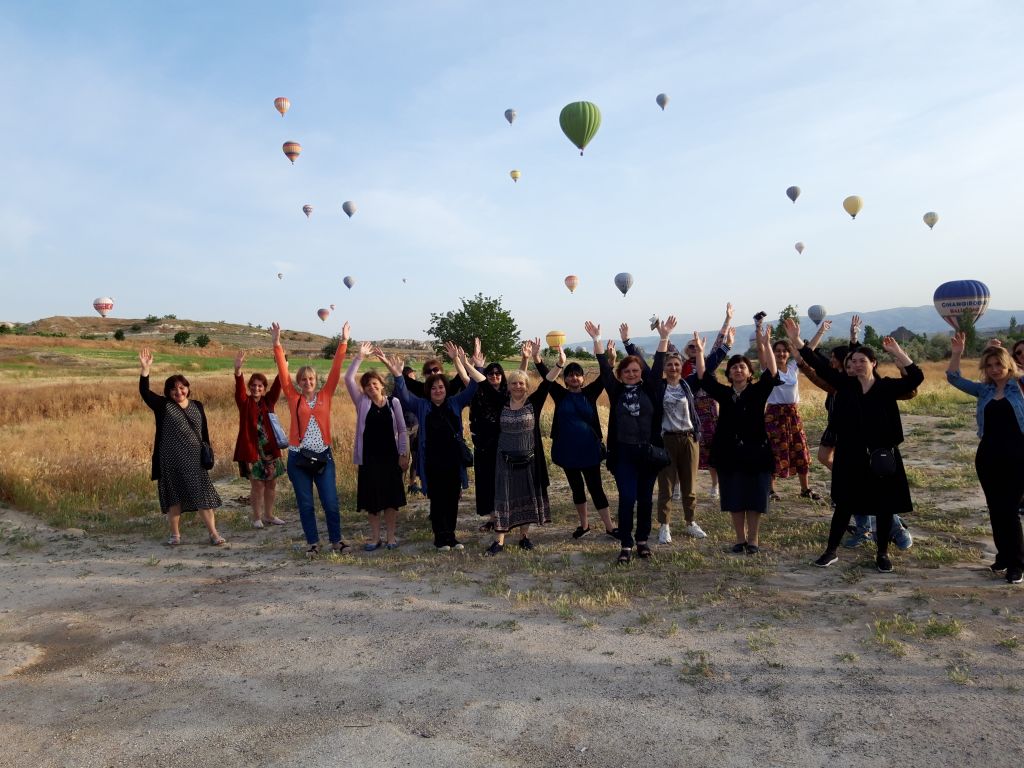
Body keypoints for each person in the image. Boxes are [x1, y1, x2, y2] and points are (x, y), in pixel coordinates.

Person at [785, 318, 923, 573]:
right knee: (844, 505)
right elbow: (818, 365)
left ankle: (882, 553)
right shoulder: (844, 385)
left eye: (862, 360)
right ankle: (830, 552)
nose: (857, 364)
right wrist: (797, 340)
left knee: (883, 507)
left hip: (881, 456)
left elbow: (916, 377)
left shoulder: (887, 387)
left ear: (874, 364)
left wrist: (898, 352)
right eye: (853, 361)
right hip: (850, 456)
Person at [380, 344, 482, 551]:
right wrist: (398, 375)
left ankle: (451, 536)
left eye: (441, 387)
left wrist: (473, 366)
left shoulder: (455, 402)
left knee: (452, 499)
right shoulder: (422, 405)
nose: (438, 390)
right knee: (437, 500)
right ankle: (440, 537)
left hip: (453, 461)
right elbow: (405, 396)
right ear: (429, 390)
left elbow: (474, 387)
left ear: (446, 389)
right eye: (434, 388)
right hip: (432, 462)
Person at [622, 324, 718, 544]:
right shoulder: (658, 387)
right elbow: (644, 367)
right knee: (665, 486)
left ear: (681, 366)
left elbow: (705, 371)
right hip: (666, 440)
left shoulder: (688, 385)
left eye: (677, 364)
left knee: (689, 486)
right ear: (664, 368)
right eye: (670, 365)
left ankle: (690, 522)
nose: (673, 368)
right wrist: (628, 344)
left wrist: (704, 352)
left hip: (689, 439)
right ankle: (664, 526)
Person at [588, 317, 673, 564]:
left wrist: (664, 337)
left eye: (636, 371)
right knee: (627, 498)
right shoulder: (615, 391)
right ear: (621, 374)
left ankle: (643, 541)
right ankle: (626, 543)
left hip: (648, 454)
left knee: (646, 499)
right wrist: (597, 340)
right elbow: (604, 368)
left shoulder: (651, 388)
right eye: (627, 371)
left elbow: (658, 365)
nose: (632, 374)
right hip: (623, 454)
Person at [946, 334, 1024, 584]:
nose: (994, 370)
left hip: (1018, 455)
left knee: (1010, 510)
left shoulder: (1020, 385)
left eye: (999, 365)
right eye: (989, 366)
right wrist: (957, 352)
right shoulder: (985, 390)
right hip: (988, 455)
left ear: (1009, 364)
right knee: (995, 509)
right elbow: (954, 378)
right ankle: (1003, 555)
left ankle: (1017, 564)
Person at [695, 326, 779, 555]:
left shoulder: (758, 391)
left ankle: (754, 539)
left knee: (755, 497)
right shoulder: (724, 393)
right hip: (729, 451)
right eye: (734, 368)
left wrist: (767, 344)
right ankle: (740, 539)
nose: (738, 370)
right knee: (734, 496)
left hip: (756, 452)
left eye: (742, 367)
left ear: (750, 373)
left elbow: (772, 372)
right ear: (729, 374)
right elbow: (703, 378)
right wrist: (700, 353)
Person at [272, 321, 350, 557]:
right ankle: (313, 543)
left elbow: (336, 369)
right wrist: (277, 343)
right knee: (306, 504)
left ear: (316, 381)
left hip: (324, 457)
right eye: (303, 379)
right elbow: (282, 373)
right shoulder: (294, 398)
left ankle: (336, 541)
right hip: (298, 459)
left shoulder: (326, 395)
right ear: (299, 382)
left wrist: (343, 341)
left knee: (330, 502)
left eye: (311, 379)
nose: (307, 382)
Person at [138, 348, 225, 546]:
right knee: (174, 499)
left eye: (182, 387)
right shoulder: (163, 406)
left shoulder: (197, 405)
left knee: (203, 497)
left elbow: (204, 433)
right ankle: (175, 535)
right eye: (174, 389)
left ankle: (213, 534)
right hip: (171, 460)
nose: (179, 392)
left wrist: (208, 453)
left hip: (195, 460)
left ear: (188, 387)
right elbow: (144, 392)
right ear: (168, 392)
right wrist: (145, 370)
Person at [476, 340, 553, 555]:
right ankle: (499, 541)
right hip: (505, 462)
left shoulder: (533, 403)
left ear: (527, 387)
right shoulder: (500, 401)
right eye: (514, 383)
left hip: (529, 460)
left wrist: (559, 365)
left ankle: (524, 537)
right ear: (508, 387)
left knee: (527, 497)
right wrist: (463, 363)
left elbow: (548, 382)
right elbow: (481, 381)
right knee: (503, 498)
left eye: (521, 384)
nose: (518, 386)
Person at [537, 344, 617, 540]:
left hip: (589, 450)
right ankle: (584, 525)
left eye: (577, 374)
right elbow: (546, 376)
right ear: (564, 379)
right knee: (576, 489)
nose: (574, 378)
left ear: (583, 378)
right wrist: (537, 359)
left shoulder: (590, 393)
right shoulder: (559, 394)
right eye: (570, 375)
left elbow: (605, 376)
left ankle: (609, 527)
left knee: (596, 488)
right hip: (566, 450)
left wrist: (611, 360)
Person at [346, 341, 411, 551]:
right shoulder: (362, 403)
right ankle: (375, 538)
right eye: (367, 385)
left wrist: (403, 454)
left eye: (375, 384)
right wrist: (360, 357)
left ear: (382, 384)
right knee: (372, 501)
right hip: (369, 459)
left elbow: (402, 430)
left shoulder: (394, 403)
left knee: (391, 500)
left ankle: (391, 537)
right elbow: (348, 378)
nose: (371, 388)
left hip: (390, 458)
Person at [469, 340, 528, 533]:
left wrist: (525, 358)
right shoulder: (479, 393)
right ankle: (493, 519)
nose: (494, 376)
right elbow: (468, 378)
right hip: (484, 445)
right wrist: (463, 363)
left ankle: (507, 517)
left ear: (502, 377)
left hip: (504, 445)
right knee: (487, 482)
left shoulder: (507, 394)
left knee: (505, 482)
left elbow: (521, 377)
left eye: (498, 373)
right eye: (490, 373)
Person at [681, 303, 735, 501]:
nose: (695, 348)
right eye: (692, 346)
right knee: (689, 447)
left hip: (709, 407)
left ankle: (715, 485)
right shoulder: (683, 366)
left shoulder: (709, 361)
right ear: (687, 350)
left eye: (697, 346)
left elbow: (721, 342)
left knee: (713, 446)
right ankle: (684, 486)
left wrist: (728, 320)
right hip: (691, 408)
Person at [232, 351, 287, 529]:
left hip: (270, 451)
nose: (256, 388)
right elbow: (239, 387)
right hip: (252, 451)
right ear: (250, 387)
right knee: (257, 486)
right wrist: (238, 369)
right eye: (253, 385)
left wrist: (282, 361)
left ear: (264, 388)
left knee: (271, 484)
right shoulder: (244, 402)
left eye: (260, 386)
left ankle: (269, 515)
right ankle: (257, 518)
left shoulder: (268, 401)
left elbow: (280, 383)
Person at [765, 337, 822, 502]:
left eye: (784, 350)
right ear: (773, 353)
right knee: (774, 451)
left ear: (789, 353)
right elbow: (763, 352)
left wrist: (820, 331)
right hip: (774, 415)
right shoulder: (768, 369)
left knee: (801, 449)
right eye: (777, 351)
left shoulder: (792, 367)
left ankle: (805, 489)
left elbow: (807, 350)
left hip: (793, 414)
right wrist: (765, 341)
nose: (781, 353)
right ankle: (770, 490)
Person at [401, 366, 422, 494]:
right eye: (411, 376)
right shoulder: (400, 390)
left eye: (414, 375)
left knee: (416, 456)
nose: (414, 377)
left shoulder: (417, 390)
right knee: (404, 458)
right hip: (404, 429)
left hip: (416, 426)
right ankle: (399, 487)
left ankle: (412, 484)